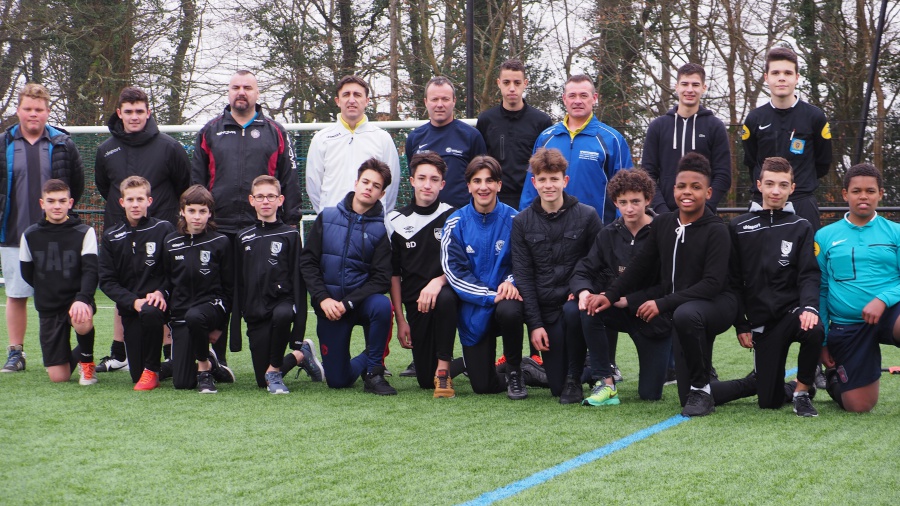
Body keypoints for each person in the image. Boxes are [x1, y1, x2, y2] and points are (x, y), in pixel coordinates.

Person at [588, 153, 754, 417]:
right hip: (680, 308)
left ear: (708, 192)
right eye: (681, 186)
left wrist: (662, 303)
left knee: (686, 314)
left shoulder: (717, 230)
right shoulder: (664, 223)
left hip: (717, 304)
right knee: (684, 397)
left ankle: (701, 387)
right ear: (673, 189)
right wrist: (610, 295)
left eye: (695, 187)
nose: (687, 192)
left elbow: (712, 284)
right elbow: (640, 266)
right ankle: (750, 384)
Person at [191, 69, 302, 365]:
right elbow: (196, 183)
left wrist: (291, 221)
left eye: (248, 87)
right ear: (229, 92)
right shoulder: (210, 130)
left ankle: (274, 353)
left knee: (262, 293)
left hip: (263, 229)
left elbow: (289, 178)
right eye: (236, 87)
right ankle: (218, 359)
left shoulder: (275, 131)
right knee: (220, 292)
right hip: (221, 228)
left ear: (257, 93)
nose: (242, 92)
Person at [94, 86, 191, 374]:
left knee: (162, 290)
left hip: (162, 231)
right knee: (124, 290)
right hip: (121, 230)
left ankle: (169, 352)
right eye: (128, 111)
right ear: (119, 114)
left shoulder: (169, 146)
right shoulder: (105, 150)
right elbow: (104, 186)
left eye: (139, 111)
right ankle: (119, 352)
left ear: (148, 113)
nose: (134, 116)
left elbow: (184, 185)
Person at [729, 157, 824, 417]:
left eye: (783, 185)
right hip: (763, 324)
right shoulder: (738, 227)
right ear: (759, 185)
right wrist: (742, 324)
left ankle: (802, 393)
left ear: (792, 188)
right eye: (769, 184)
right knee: (768, 401)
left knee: (813, 328)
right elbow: (734, 281)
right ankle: (794, 387)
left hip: (792, 313)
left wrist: (809, 308)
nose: (775, 191)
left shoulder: (801, 226)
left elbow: (809, 274)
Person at [1, 83, 84, 374]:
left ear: (47, 112)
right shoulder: (3, 143)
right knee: (16, 292)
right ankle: (16, 352)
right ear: (18, 111)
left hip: (57, 236)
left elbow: (77, 184)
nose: (33, 114)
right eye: (27, 108)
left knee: (63, 293)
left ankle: (75, 351)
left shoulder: (63, 143)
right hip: (13, 231)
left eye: (39, 109)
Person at [570, 169, 672, 403]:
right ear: (615, 202)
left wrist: (630, 299)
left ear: (647, 200)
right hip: (617, 311)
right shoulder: (608, 234)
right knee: (589, 307)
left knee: (650, 395)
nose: (629, 208)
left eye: (636, 201)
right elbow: (582, 270)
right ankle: (605, 381)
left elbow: (672, 284)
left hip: (653, 316)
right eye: (623, 202)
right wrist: (584, 292)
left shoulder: (664, 232)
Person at [511, 148, 601, 403]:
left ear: (565, 180)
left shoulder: (587, 215)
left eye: (554, 179)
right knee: (555, 387)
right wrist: (536, 325)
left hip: (576, 305)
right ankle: (585, 369)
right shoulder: (522, 222)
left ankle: (579, 375)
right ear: (534, 182)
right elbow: (524, 277)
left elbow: (600, 264)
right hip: (547, 310)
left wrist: (586, 289)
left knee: (575, 311)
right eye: (543, 179)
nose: (548, 185)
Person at [300, 158, 396, 395]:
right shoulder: (327, 216)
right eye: (365, 181)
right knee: (338, 381)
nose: (369, 188)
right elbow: (308, 262)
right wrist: (323, 298)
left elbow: (381, 279)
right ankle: (373, 354)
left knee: (383, 305)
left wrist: (349, 302)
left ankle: (374, 371)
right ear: (356, 182)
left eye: (375, 186)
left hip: (359, 304)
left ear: (381, 194)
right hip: (329, 307)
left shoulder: (381, 229)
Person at [441, 155, 530, 399]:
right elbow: (454, 273)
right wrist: (491, 295)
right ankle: (528, 372)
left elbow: (525, 263)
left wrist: (510, 282)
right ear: (468, 186)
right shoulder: (455, 223)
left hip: (506, 301)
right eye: (477, 181)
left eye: (490, 180)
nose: (483, 187)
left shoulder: (517, 220)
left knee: (511, 310)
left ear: (499, 185)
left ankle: (514, 372)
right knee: (482, 386)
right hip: (475, 310)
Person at [816, 163, 900, 413]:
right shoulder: (824, 236)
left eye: (870, 191)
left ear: (881, 194)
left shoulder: (895, 232)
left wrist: (883, 299)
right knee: (858, 406)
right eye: (856, 191)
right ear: (845, 195)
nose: (863, 196)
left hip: (890, 314)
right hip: (848, 325)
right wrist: (822, 341)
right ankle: (835, 377)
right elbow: (820, 289)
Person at [234, 175, 321, 394]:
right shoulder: (243, 237)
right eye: (260, 196)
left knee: (282, 314)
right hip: (255, 312)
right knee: (262, 382)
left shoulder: (290, 235)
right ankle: (301, 355)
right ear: (251, 200)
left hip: (281, 304)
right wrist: (239, 318)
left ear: (280, 200)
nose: (265, 201)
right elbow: (238, 282)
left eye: (270, 196)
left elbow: (298, 282)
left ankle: (275, 369)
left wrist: (298, 328)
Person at [388, 151, 461, 397]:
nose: (427, 184)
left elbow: (460, 265)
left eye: (433, 179)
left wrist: (438, 281)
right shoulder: (395, 220)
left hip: (447, 298)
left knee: (446, 297)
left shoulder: (454, 216)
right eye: (422, 178)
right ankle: (465, 362)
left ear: (442, 184)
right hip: (415, 305)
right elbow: (394, 275)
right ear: (412, 181)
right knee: (424, 380)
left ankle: (444, 370)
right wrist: (401, 320)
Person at [519, 74, 632, 223]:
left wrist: (621, 230)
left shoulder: (612, 139)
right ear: (564, 99)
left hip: (597, 233)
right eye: (572, 96)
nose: (577, 101)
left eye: (583, 95)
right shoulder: (546, 138)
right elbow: (531, 188)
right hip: (550, 232)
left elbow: (626, 190)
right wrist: (525, 223)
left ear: (594, 98)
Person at [742, 47, 832, 230]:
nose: (781, 77)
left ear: (797, 77)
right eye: (775, 72)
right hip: (763, 204)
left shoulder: (815, 117)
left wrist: (797, 184)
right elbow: (752, 161)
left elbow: (823, 164)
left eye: (787, 73)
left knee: (806, 258)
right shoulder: (754, 119)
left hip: (802, 203)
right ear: (766, 77)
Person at [98, 176, 175, 390]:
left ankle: (152, 370)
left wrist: (161, 291)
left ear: (149, 201)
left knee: (151, 311)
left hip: (161, 305)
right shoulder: (111, 236)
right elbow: (107, 281)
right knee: (136, 374)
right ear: (121, 202)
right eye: (130, 199)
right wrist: (133, 302)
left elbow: (175, 270)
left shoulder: (164, 229)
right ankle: (171, 367)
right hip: (133, 309)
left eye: (140, 199)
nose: (135, 204)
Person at [19, 179, 97, 384]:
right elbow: (27, 273)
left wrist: (83, 299)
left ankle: (87, 363)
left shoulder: (85, 232)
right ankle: (84, 347)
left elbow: (91, 272)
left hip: (76, 300)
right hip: (49, 306)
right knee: (58, 377)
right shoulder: (30, 235)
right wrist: (48, 288)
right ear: (42, 203)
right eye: (51, 201)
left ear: (70, 203)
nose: (56, 206)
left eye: (62, 201)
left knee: (81, 318)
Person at [162, 185, 234, 393]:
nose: (197, 217)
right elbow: (167, 281)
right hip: (182, 314)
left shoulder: (220, 242)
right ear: (182, 211)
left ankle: (204, 370)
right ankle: (213, 364)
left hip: (212, 307)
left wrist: (220, 327)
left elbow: (229, 289)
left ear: (210, 213)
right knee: (182, 383)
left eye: (202, 211)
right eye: (192, 211)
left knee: (196, 316)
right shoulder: (170, 242)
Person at [642, 63, 731, 214]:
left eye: (695, 84)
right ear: (676, 87)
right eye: (685, 84)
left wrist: (706, 209)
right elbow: (647, 174)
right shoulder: (657, 126)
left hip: (703, 218)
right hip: (664, 216)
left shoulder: (715, 126)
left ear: (704, 88)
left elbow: (723, 175)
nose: (689, 89)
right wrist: (661, 211)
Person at [306, 75, 401, 213]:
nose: (351, 100)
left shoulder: (382, 138)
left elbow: (391, 186)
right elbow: (313, 185)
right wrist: (326, 215)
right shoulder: (321, 139)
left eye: (357, 94)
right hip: (333, 221)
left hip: (371, 224)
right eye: (346, 95)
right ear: (338, 101)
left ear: (367, 100)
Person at [476, 59, 554, 209]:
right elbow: (480, 163)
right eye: (506, 83)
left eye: (517, 83)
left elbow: (546, 165)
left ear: (525, 83)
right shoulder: (486, 120)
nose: (512, 88)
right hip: (495, 200)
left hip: (532, 200)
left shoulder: (541, 121)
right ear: (499, 83)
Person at [405, 76, 487, 208]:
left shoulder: (471, 136)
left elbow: (482, 178)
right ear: (426, 102)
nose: (439, 104)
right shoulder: (414, 138)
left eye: (445, 99)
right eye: (434, 99)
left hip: (461, 216)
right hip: (424, 218)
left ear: (454, 101)